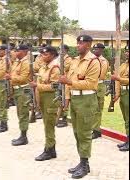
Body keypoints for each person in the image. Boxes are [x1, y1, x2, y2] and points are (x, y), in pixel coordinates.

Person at [59, 35, 100, 179]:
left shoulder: (93, 62)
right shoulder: (75, 61)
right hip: (76, 98)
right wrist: (67, 99)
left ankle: (85, 164)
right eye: (77, 42)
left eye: (81, 43)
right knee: (77, 132)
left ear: (89, 45)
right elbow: (68, 82)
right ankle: (82, 161)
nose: (78, 45)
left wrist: (69, 82)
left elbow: (91, 83)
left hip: (87, 99)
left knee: (84, 133)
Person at [31, 46, 60, 160]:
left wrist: (38, 85)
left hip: (50, 99)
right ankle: (51, 149)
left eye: (46, 54)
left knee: (49, 125)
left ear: (52, 55)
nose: (43, 56)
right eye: (42, 54)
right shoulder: (44, 67)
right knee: (46, 125)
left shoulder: (55, 68)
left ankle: (49, 149)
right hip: (43, 98)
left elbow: (55, 86)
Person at [5, 44, 30, 146]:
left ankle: (24, 136)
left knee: (23, 113)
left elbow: (24, 78)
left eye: (18, 51)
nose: (15, 53)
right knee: (19, 113)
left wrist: (11, 77)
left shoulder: (26, 63)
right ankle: (22, 135)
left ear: (24, 51)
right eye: (15, 51)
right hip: (17, 90)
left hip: (23, 90)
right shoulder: (16, 62)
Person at [112, 45, 129, 151]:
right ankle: (127, 140)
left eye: (129, 51)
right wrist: (117, 94)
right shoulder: (123, 65)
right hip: (123, 93)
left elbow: (119, 78)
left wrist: (119, 78)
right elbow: (118, 80)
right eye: (126, 51)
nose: (127, 53)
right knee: (125, 119)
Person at [91, 43, 109, 139]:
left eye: (97, 49)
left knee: (97, 109)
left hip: (99, 85)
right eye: (94, 49)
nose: (95, 51)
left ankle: (96, 130)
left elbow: (101, 75)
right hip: (91, 85)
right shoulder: (91, 60)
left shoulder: (103, 61)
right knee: (91, 109)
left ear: (101, 50)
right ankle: (94, 128)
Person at [56, 44, 74, 128]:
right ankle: (59, 117)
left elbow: (63, 69)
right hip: (60, 81)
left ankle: (64, 118)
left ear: (66, 50)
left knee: (66, 99)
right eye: (59, 49)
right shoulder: (60, 59)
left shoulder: (68, 59)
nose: (60, 51)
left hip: (66, 81)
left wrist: (58, 65)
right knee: (60, 99)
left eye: (61, 50)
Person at [34, 43, 47, 120]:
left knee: (42, 94)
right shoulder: (38, 56)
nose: (40, 49)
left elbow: (42, 66)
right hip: (37, 76)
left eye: (41, 47)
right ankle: (38, 109)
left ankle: (41, 111)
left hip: (43, 76)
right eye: (39, 47)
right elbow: (35, 66)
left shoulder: (45, 56)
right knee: (36, 94)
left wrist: (37, 67)